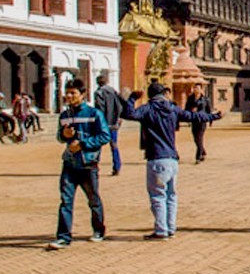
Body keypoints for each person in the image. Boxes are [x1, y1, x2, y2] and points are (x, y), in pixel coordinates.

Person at [116, 81, 220, 239]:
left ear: (150, 95)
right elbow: (193, 116)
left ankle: (161, 230)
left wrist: (132, 98)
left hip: (156, 157)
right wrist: (214, 116)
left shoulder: (147, 109)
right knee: (171, 196)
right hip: (172, 158)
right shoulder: (172, 108)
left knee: (158, 196)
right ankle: (171, 227)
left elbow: (128, 114)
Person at [49, 79, 110, 250]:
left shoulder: (94, 114)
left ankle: (98, 230)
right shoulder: (65, 115)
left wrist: (83, 144)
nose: (69, 96)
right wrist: (65, 134)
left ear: (82, 94)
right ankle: (63, 237)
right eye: (67, 93)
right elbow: (60, 137)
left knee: (93, 199)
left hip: (88, 164)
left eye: (73, 93)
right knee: (65, 200)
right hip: (69, 163)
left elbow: (105, 136)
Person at [92, 73, 126, 176]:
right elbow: (123, 103)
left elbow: (100, 109)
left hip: (103, 123)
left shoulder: (99, 93)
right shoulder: (113, 91)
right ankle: (117, 166)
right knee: (114, 145)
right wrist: (120, 117)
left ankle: (94, 168)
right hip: (114, 122)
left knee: (97, 145)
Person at [186, 87, 212, 164]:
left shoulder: (205, 99)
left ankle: (198, 157)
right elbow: (186, 109)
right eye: (195, 88)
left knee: (199, 138)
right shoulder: (190, 99)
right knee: (195, 139)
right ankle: (203, 152)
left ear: (201, 90)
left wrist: (210, 120)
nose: (196, 90)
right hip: (194, 121)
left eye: (198, 88)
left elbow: (209, 110)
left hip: (202, 121)